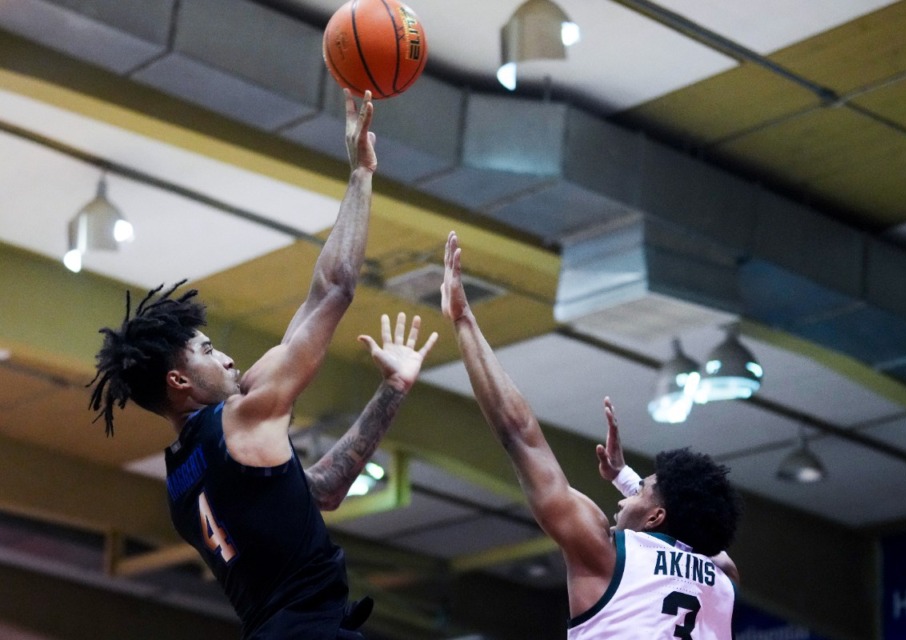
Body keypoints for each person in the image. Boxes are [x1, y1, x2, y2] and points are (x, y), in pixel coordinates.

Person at [88, 89, 438, 639]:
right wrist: (360, 174)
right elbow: (334, 290)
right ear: (178, 381)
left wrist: (392, 388)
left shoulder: (181, 481)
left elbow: (321, 492)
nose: (226, 356)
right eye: (205, 352)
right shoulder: (241, 420)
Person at [440, 230, 742, 639]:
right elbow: (711, 547)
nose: (625, 496)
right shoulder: (723, 582)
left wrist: (463, 321)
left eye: (638, 491)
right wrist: (631, 480)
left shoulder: (606, 554)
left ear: (657, 516)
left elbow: (520, 435)